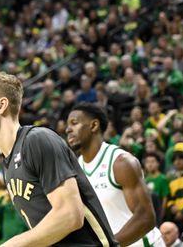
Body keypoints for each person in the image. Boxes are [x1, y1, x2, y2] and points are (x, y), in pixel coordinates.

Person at [0, 71, 118, 246]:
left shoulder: (36, 140)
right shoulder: (7, 163)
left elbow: (70, 215)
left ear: (1, 105)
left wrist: (12, 244)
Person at [66, 103, 164, 247]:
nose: (68, 129)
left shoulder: (121, 162)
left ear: (94, 126)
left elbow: (146, 218)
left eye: (74, 123)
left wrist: (107, 245)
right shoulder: (76, 168)